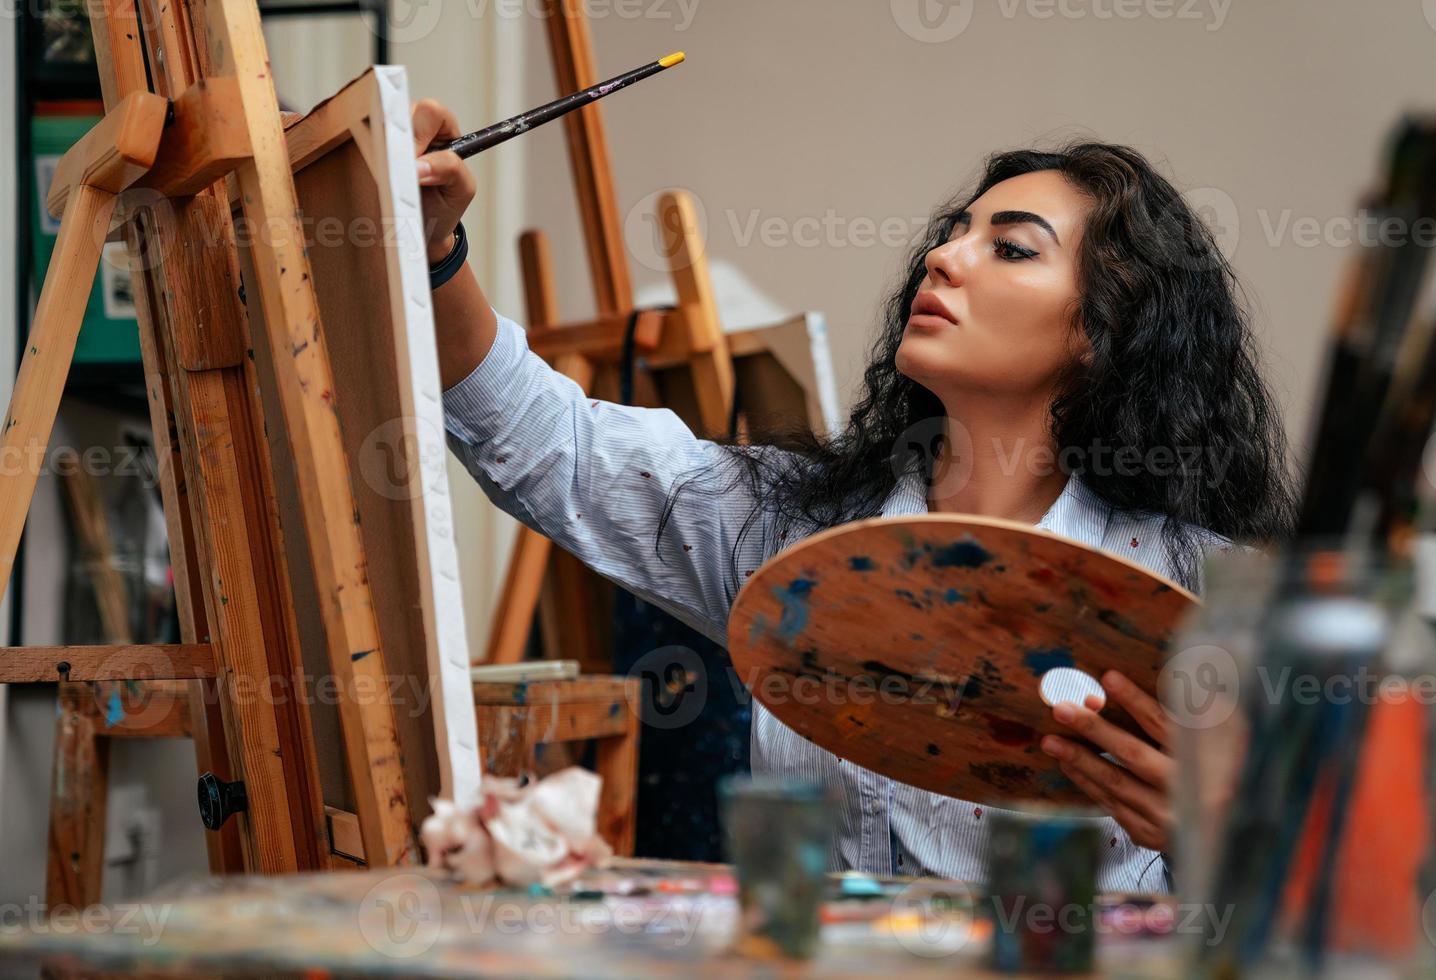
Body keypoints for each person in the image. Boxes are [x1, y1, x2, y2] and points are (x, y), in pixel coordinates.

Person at [412, 99, 1296, 891]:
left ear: (1106, 330)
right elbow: (548, 444)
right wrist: (436, 250)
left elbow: (1356, 910)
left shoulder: (1206, 595)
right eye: (953, 232)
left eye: (1012, 247)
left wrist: (1218, 838)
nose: (944, 257)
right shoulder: (797, 531)